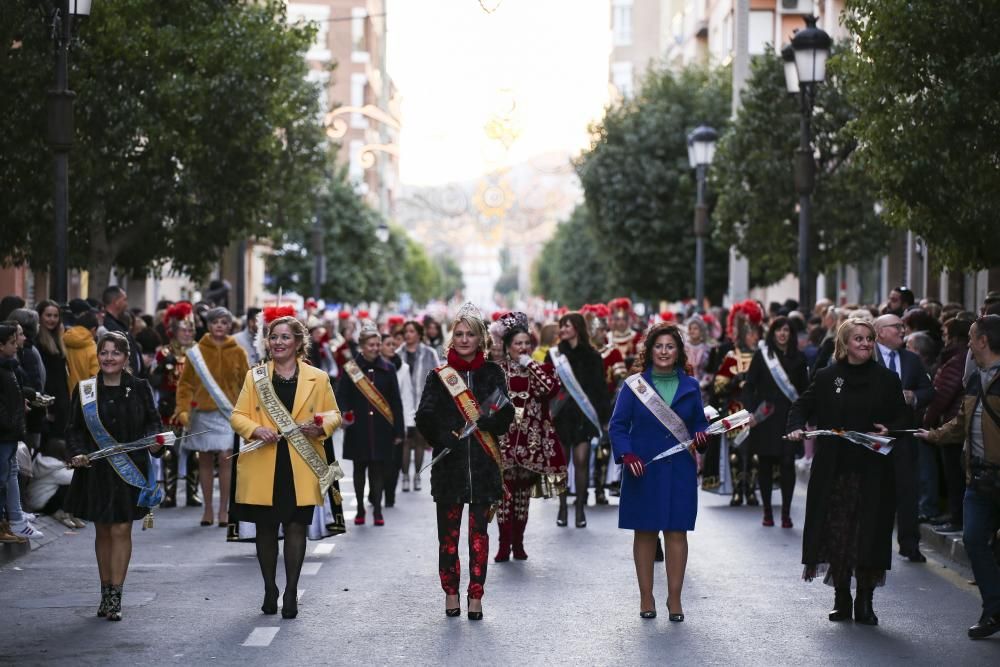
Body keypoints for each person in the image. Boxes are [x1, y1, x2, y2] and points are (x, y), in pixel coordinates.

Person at [787, 318, 906, 625]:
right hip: (836, 472)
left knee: (869, 536)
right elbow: (801, 406)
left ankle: (866, 600)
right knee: (839, 535)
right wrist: (796, 427)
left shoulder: (887, 378)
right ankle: (842, 597)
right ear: (845, 344)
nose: (865, 343)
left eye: (869, 338)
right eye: (858, 339)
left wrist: (890, 428)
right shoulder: (828, 376)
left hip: (874, 472)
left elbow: (903, 416)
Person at [230, 313, 342, 619]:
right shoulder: (255, 377)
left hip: (302, 462)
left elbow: (334, 413)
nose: (278, 342)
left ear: (297, 343)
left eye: (285, 337)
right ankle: (269, 587)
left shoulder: (318, 378)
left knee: (296, 526)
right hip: (264, 462)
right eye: (273, 337)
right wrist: (255, 429)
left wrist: (321, 427)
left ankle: (291, 590)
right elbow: (238, 415)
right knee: (266, 528)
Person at [415, 303, 514, 620]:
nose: (464, 339)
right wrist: (442, 435)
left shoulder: (493, 372)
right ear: (451, 338)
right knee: (448, 537)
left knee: (479, 536)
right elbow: (424, 416)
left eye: (470, 333)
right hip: (450, 468)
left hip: (484, 467)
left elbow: (506, 412)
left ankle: (475, 595)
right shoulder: (440, 376)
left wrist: (491, 421)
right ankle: (451, 592)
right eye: (458, 333)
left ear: (481, 337)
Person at [609, 322, 709, 620]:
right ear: (650, 350)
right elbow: (617, 425)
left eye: (670, 346)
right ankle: (646, 597)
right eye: (659, 346)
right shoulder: (634, 385)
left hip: (679, 468)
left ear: (678, 351)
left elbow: (697, 424)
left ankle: (675, 599)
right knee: (646, 531)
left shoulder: (691, 386)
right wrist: (626, 454)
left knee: (677, 531)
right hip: (644, 468)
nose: (664, 351)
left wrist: (703, 435)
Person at [65, 331, 166, 621]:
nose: (109, 358)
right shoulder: (85, 390)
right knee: (104, 531)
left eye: (115, 353)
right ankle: (104, 590)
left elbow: (153, 422)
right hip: (95, 471)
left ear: (126, 357)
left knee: (122, 529)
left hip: (129, 471)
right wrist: (77, 452)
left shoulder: (140, 387)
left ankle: (115, 597)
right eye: (104, 353)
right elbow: (73, 429)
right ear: (98, 356)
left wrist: (154, 441)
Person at [917, 315, 1000, 639]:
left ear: (984, 341)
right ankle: (993, 610)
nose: (967, 343)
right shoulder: (974, 379)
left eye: (971, 337)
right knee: (974, 540)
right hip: (978, 478)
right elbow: (960, 422)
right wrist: (932, 435)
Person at [491, 312, 567, 562]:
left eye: (526, 343)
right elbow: (488, 403)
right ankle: (503, 545)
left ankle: (519, 543)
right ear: (507, 346)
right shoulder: (498, 371)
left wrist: (530, 364)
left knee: (522, 496)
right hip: (503, 441)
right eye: (517, 344)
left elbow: (550, 389)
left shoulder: (541, 369)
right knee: (504, 495)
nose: (522, 347)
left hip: (531, 442)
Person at [175, 307, 249, 527]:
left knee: (227, 457)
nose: (220, 325)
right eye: (215, 322)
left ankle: (224, 509)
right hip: (202, 412)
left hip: (229, 413)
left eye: (224, 322)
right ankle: (207, 508)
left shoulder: (238, 351)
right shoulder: (196, 352)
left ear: (230, 326)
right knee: (204, 459)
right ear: (208, 325)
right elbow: (185, 384)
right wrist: (183, 409)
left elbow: (247, 383)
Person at [873, 313, 934, 562]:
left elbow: (929, 390)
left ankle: (910, 544)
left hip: (904, 436)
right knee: (877, 493)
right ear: (880, 332)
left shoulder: (911, 359)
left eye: (903, 326)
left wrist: (915, 397)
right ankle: (876, 544)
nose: (902, 330)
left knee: (907, 492)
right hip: (874, 436)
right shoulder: (868, 357)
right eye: (896, 327)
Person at [743, 316, 809, 528]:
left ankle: (786, 514)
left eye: (786, 331)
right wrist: (750, 412)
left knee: (788, 463)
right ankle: (767, 511)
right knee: (765, 464)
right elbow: (749, 385)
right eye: (778, 330)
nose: (782, 334)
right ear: (772, 333)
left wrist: (803, 418)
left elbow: (805, 391)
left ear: (791, 334)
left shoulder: (799, 359)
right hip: (765, 417)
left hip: (789, 419)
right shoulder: (762, 356)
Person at [547, 312, 611, 528]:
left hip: (584, 414)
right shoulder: (554, 355)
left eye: (567, 325)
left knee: (581, 461)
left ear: (577, 328)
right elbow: (547, 384)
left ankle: (580, 507)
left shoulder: (593, 355)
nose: (563, 329)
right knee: (562, 464)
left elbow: (600, 388)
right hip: (561, 415)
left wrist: (604, 417)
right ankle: (563, 506)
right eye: (561, 325)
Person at [336, 322, 404, 526]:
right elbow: (342, 395)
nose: (374, 348)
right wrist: (346, 413)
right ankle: (359, 508)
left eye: (377, 344)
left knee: (378, 470)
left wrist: (399, 429)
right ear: (361, 347)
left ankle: (377, 510)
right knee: (359, 469)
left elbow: (395, 401)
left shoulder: (389, 368)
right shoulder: (351, 369)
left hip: (382, 427)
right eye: (370, 345)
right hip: (359, 427)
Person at [921, 317, 972, 533]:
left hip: (953, 425)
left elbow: (942, 396)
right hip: (953, 423)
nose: (943, 337)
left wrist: (927, 421)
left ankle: (957, 517)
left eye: (945, 333)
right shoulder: (957, 358)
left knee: (954, 476)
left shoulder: (955, 360)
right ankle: (955, 515)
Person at [149, 302, 200, 508]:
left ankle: (192, 493)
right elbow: (152, 380)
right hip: (169, 407)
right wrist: (163, 366)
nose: (188, 333)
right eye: (184, 329)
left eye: (191, 330)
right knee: (169, 452)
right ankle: (169, 494)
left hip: (193, 407)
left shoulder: (199, 351)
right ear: (174, 330)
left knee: (195, 453)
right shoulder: (164, 353)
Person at [712, 305, 763, 505]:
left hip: (758, 411)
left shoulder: (764, 356)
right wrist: (735, 380)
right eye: (750, 333)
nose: (754, 337)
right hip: (735, 409)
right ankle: (736, 491)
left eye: (756, 333)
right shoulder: (732, 356)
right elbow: (718, 385)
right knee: (736, 452)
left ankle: (751, 490)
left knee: (755, 454)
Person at [396, 319, 441, 492]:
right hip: (404, 404)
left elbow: (438, 378)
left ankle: (417, 476)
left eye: (412, 331)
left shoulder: (429, 353)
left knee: (420, 441)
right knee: (406, 441)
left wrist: (434, 404)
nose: (408, 334)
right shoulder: (397, 354)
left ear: (419, 334)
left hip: (424, 404)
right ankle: (405, 475)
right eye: (406, 331)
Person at [380, 333, 415, 508]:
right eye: (388, 344)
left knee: (394, 460)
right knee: (378, 460)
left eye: (394, 344)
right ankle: (375, 493)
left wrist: (409, 423)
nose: (392, 347)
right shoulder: (368, 367)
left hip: (396, 419)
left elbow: (407, 396)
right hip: (377, 420)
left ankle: (390, 494)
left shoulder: (403, 368)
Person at [35, 299, 71, 437]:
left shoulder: (58, 339)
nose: (52, 320)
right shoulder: (39, 341)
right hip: (49, 400)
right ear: (40, 316)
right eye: (48, 315)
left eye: (55, 316)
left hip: (61, 399)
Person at [101, 286, 144, 376]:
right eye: (124, 300)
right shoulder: (108, 327)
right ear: (116, 302)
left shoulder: (118, 324)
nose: (126, 304)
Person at [65, 309, 100, 395]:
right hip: (84, 397)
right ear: (93, 329)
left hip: (63, 396)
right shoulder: (93, 349)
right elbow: (95, 376)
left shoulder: (64, 340)